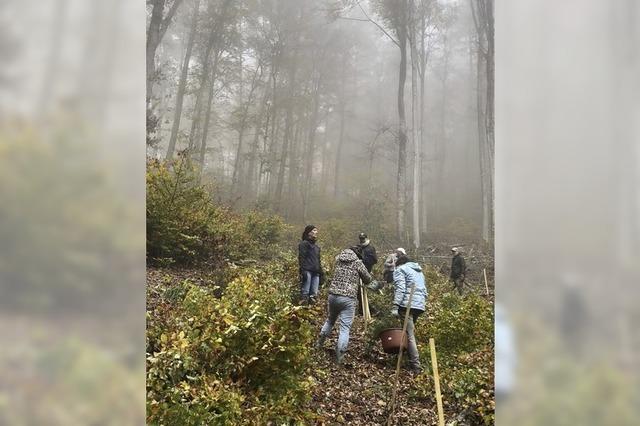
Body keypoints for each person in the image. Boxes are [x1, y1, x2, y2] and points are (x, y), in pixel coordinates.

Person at [316, 246, 379, 364]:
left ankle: (319, 344)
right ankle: (339, 357)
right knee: (345, 328)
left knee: (330, 321)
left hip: (333, 295)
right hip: (348, 298)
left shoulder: (338, 260)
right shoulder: (357, 263)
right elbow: (368, 278)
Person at [391, 253, 427, 373]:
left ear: (399, 263)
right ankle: (408, 359)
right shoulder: (418, 271)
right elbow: (424, 290)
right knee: (408, 332)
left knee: (409, 334)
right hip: (419, 305)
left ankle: (416, 366)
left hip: (407, 305)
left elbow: (400, 288)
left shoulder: (400, 269)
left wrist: (395, 305)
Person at [298, 225, 323, 305]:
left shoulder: (317, 247)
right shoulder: (304, 244)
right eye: (314, 230)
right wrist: (302, 271)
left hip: (316, 272)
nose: (316, 232)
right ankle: (302, 312)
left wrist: (321, 273)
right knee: (305, 293)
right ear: (309, 232)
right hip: (307, 271)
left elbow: (318, 261)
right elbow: (301, 258)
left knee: (314, 296)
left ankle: (312, 313)